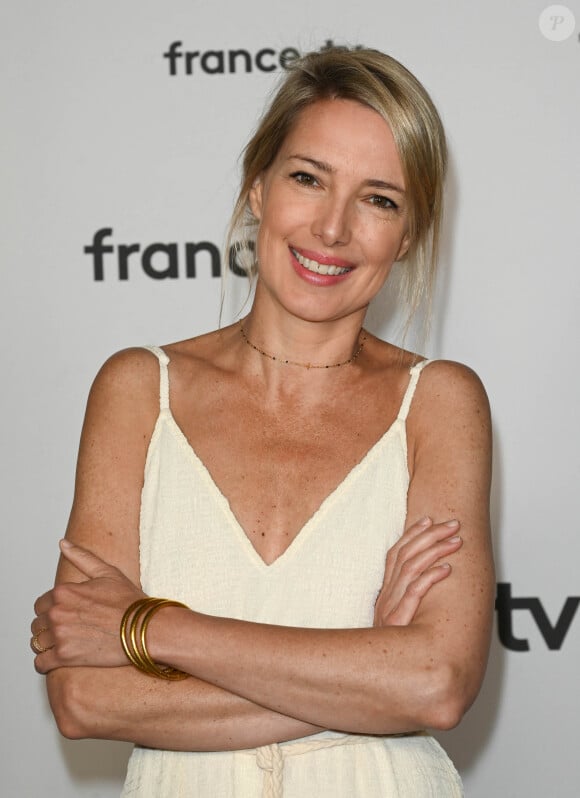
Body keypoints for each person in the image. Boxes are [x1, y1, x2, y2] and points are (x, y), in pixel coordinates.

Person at [31, 47, 494, 797]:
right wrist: (367, 664)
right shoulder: (137, 389)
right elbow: (84, 697)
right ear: (257, 187)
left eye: (379, 199)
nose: (333, 228)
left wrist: (150, 630)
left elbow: (436, 685)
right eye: (308, 179)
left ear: (407, 235)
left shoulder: (439, 401)